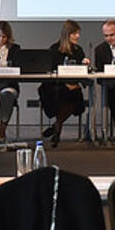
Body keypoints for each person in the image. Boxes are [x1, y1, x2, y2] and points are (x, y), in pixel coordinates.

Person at [39, 19, 89, 147]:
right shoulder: (54, 49)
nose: (78, 36)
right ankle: (57, 126)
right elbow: (49, 71)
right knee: (65, 93)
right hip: (56, 85)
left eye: (78, 33)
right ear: (67, 34)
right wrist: (66, 83)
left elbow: (81, 71)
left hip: (73, 85)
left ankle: (57, 126)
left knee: (74, 93)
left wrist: (85, 64)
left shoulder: (78, 50)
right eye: (74, 33)